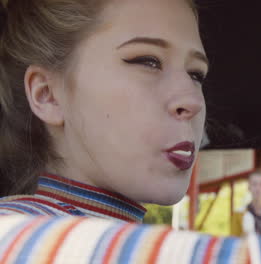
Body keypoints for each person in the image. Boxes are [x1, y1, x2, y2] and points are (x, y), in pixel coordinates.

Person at [0, 0, 208, 223]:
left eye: (196, 74)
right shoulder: (14, 232)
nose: (193, 101)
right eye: (147, 61)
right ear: (47, 95)